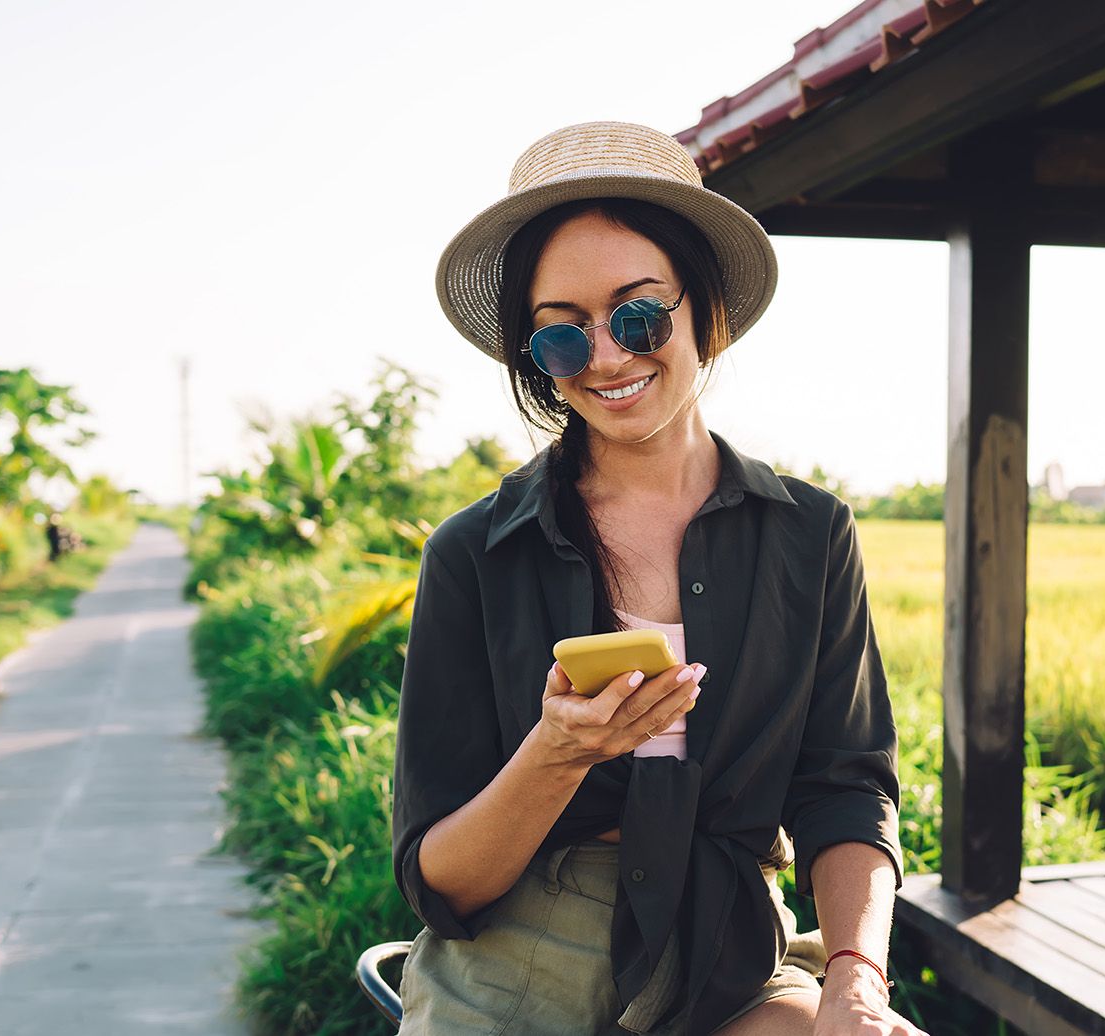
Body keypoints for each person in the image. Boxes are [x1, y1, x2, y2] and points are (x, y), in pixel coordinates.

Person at [391, 121, 920, 1036]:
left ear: (705, 310)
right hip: (522, 968)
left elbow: (846, 788)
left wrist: (855, 981)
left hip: (733, 951)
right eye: (561, 338)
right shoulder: (473, 553)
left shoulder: (812, 533)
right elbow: (440, 878)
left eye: (638, 315)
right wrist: (555, 755)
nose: (605, 357)